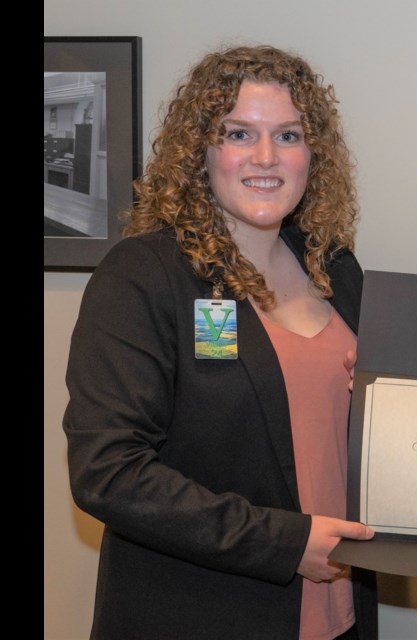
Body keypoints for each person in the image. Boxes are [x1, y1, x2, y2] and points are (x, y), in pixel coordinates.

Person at [63, 45, 378, 640]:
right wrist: (285, 543)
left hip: (341, 611)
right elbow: (108, 471)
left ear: (314, 154)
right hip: (202, 613)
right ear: (200, 152)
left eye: (288, 135)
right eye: (239, 133)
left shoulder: (336, 269)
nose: (266, 157)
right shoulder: (144, 275)